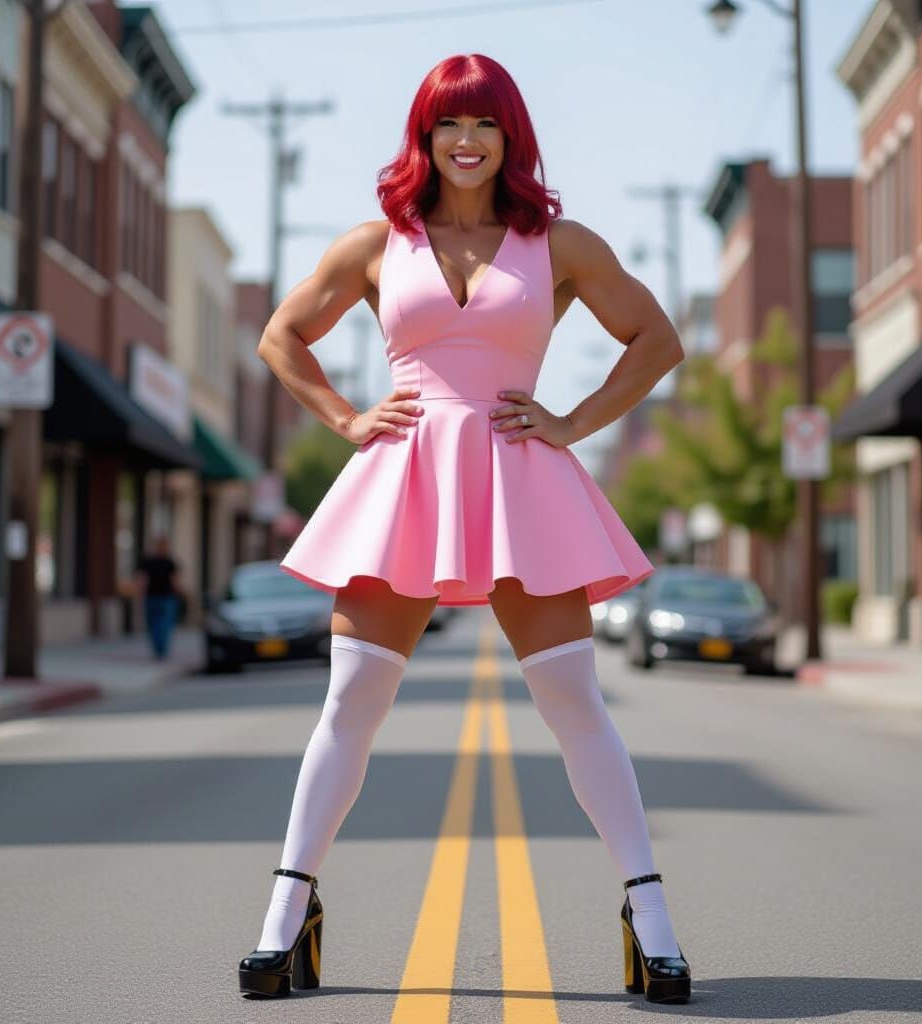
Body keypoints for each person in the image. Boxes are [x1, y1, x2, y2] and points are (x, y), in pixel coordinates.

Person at [237, 54, 690, 1005]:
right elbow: (282, 336)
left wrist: (571, 423)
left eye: (484, 124)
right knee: (351, 704)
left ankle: (650, 919)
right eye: (449, 125)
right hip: (404, 480)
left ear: (510, 136)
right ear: (426, 137)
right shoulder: (376, 244)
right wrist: (348, 419)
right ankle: (285, 916)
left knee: (574, 703)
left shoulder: (559, 243)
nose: (467, 141)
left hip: (521, 476)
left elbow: (657, 340)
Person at [134, 532, 181, 661]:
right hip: (155, 597)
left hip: (165, 597)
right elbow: (142, 579)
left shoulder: (169, 562)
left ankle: (160, 650)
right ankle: (159, 650)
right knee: (157, 625)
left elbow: (174, 580)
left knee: (162, 625)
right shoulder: (149, 561)